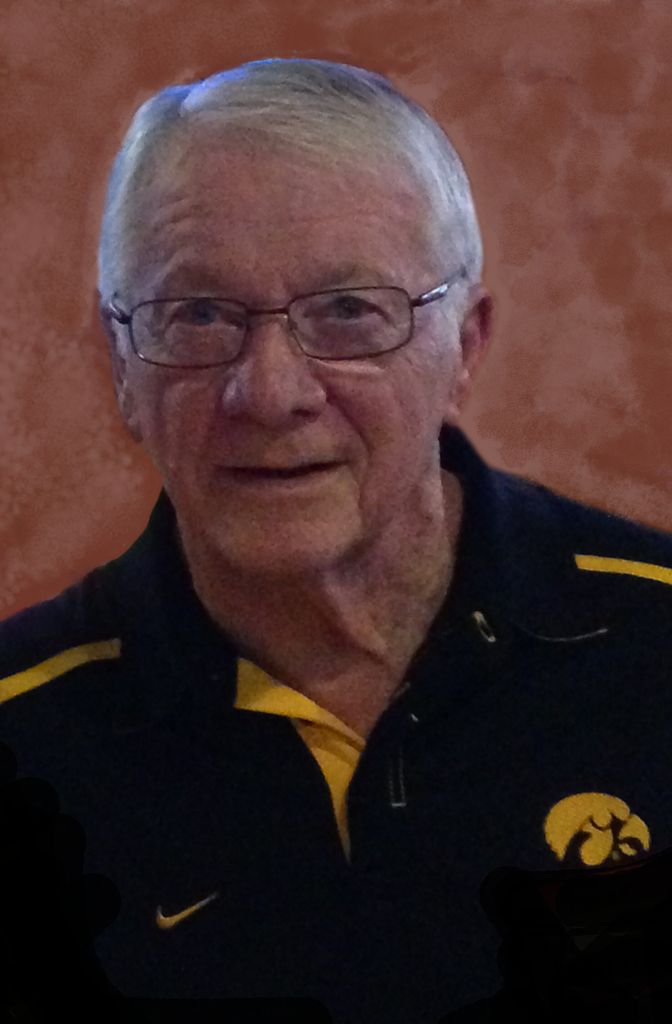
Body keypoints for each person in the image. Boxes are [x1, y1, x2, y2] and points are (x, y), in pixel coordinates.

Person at [2, 57, 672, 1024]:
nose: (270, 392)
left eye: (350, 312)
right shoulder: (22, 736)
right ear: (120, 367)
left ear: (466, 346)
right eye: (198, 315)